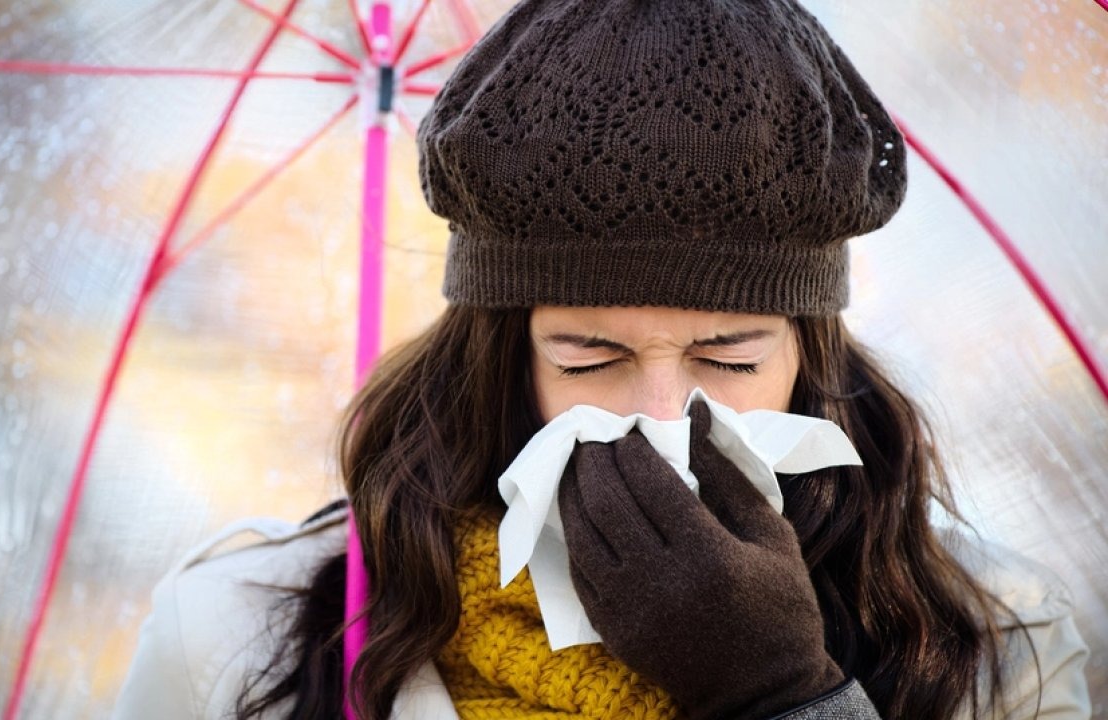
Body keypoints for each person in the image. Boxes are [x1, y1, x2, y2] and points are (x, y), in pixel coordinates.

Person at [111, 0, 1091, 717]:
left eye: (729, 356)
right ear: (501, 359)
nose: (662, 418)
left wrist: (784, 695)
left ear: (809, 353)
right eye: (587, 358)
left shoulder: (991, 647)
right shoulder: (239, 638)